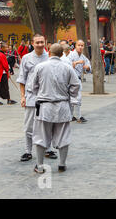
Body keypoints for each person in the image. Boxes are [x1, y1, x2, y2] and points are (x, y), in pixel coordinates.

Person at [27, 44, 80, 173]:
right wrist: (69, 93)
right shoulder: (67, 68)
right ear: (62, 54)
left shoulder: (40, 67)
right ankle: (62, 164)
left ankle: (40, 166)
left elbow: (32, 87)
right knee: (63, 135)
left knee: (41, 136)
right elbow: (76, 85)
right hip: (62, 106)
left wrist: (41, 92)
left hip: (44, 106)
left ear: (49, 53)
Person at [17, 34, 57, 162]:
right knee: (29, 125)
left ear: (45, 43)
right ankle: (28, 151)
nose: (40, 45)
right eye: (37, 42)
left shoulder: (50, 57)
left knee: (48, 124)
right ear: (32, 43)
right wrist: (22, 96)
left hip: (48, 96)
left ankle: (48, 149)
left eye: (42, 42)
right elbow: (22, 79)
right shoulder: (26, 58)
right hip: (31, 96)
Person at [67, 40, 91, 123]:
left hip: (78, 79)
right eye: (79, 45)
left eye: (82, 45)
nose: (80, 47)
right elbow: (67, 65)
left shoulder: (83, 56)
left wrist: (87, 67)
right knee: (74, 98)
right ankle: (77, 116)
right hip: (70, 80)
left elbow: (88, 64)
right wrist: (76, 62)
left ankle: (73, 116)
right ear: (75, 46)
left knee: (77, 98)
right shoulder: (70, 55)